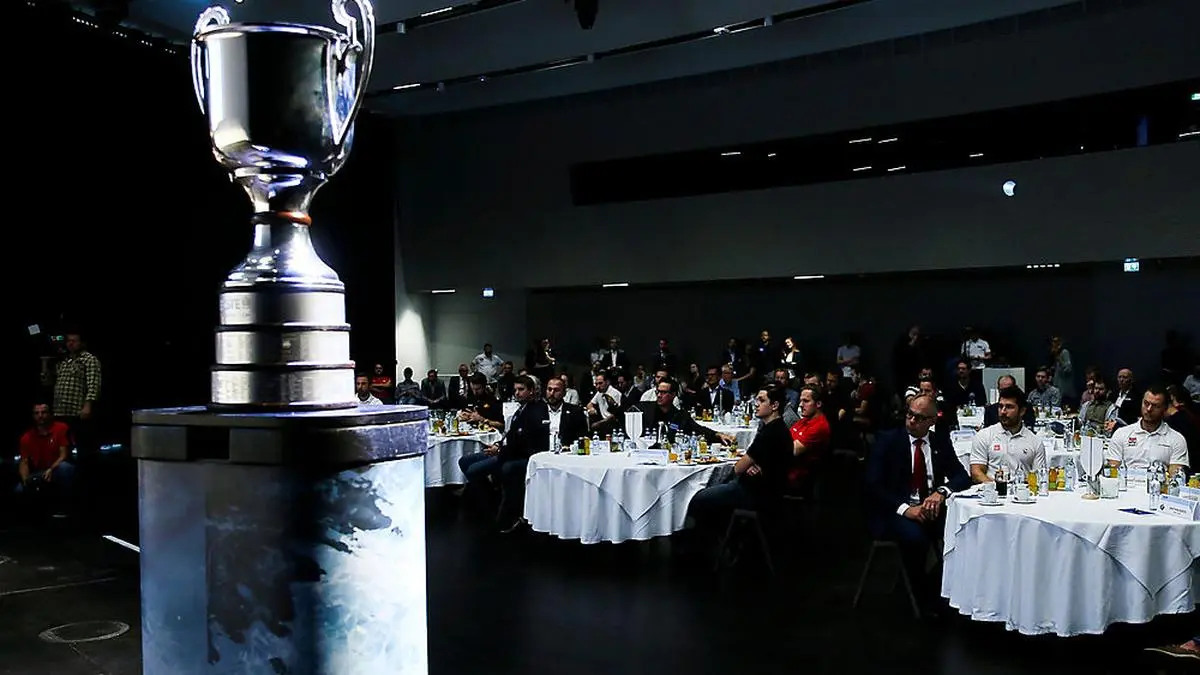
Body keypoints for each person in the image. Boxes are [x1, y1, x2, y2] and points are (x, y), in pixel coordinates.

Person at [865, 394, 971, 616]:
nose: (912, 420)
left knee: (965, 532)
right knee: (916, 539)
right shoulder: (888, 441)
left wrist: (941, 492)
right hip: (896, 510)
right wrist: (906, 509)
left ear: (932, 420)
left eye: (920, 418)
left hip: (931, 507)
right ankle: (922, 597)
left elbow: (961, 476)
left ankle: (944, 588)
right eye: (910, 414)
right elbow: (873, 486)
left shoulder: (939, 441)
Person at [685, 387, 794, 549]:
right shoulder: (778, 429)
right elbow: (753, 462)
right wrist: (752, 465)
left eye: (762, 400)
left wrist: (748, 465)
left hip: (757, 494)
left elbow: (738, 468)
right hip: (768, 490)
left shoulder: (770, 432)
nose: (756, 404)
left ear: (774, 405)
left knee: (697, 498)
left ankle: (701, 547)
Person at [457, 375, 549, 533]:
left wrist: (500, 450)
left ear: (532, 391)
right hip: (505, 448)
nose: (517, 393)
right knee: (464, 461)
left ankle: (492, 503)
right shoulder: (521, 408)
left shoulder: (536, 410)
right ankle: (490, 496)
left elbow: (524, 442)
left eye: (521, 389)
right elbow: (511, 434)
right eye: (515, 390)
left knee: (473, 470)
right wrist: (498, 444)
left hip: (518, 454)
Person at [16, 402, 76, 516]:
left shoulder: (61, 428)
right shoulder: (26, 437)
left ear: (50, 414)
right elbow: (24, 462)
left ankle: (65, 508)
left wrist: (51, 469)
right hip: (40, 472)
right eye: (37, 413)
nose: (40, 416)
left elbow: (63, 455)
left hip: (57, 468)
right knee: (20, 489)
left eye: (43, 412)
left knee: (65, 468)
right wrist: (26, 481)